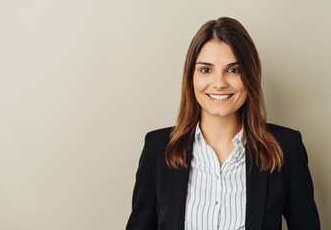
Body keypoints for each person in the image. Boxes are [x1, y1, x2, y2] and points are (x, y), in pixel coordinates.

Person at [126, 17, 320, 230]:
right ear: (191, 77)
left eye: (233, 70)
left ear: (250, 76)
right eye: (206, 70)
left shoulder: (286, 148)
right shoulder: (158, 149)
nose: (219, 83)